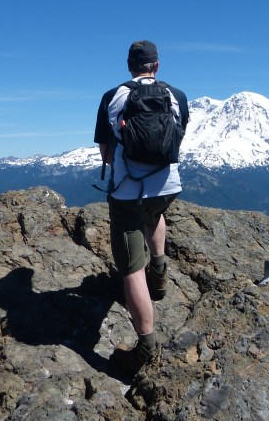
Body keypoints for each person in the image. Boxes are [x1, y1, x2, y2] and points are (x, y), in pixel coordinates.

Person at [94, 39, 189, 373]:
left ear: (129, 66)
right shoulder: (176, 96)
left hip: (127, 192)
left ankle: (146, 350)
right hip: (168, 187)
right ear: (157, 66)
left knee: (131, 269)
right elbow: (175, 140)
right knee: (155, 214)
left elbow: (106, 153)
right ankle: (160, 275)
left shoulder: (113, 96)